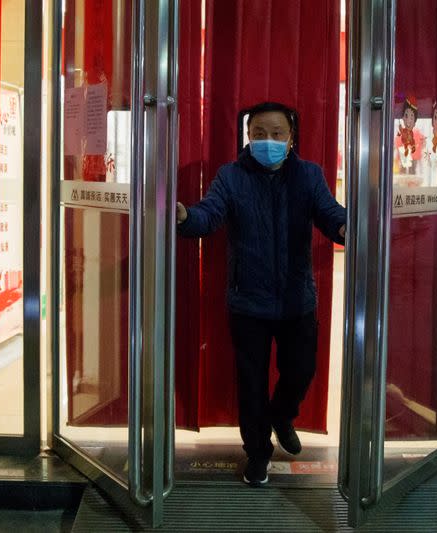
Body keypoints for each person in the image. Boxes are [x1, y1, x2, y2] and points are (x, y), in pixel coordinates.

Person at [176, 101, 346, 487]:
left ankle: (283, 415)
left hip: (296, 299)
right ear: (248, 138)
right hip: (248, 301)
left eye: (276, 134)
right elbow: (209, 213)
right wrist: (186, 218)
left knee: (301, 370)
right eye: (259, 135)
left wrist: (346, 227)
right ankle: (257, 453)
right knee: (251, 383)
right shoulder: (231, 177)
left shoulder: (308, 175)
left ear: (291, 139)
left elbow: (329, 212)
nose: (267, 141)